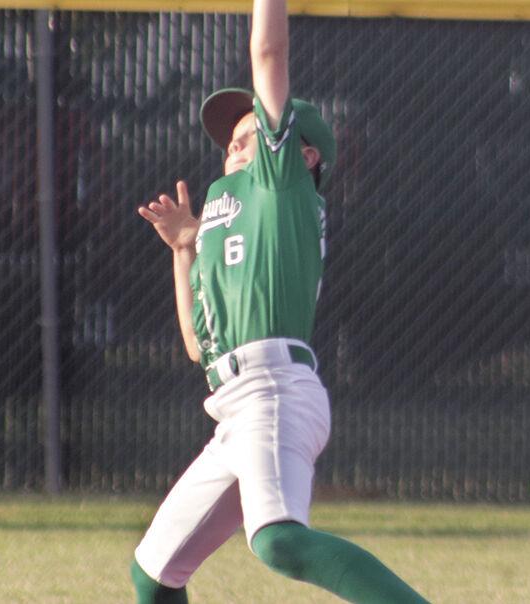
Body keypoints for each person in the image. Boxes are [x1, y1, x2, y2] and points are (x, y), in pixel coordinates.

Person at [131, 1, 429, 602]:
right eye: (231, 145)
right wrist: (183, 248)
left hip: (272, 390)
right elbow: (197, 349)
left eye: (248, 139)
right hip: (235, 405)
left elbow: (268, 53)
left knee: (279, 541)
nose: (235, 150)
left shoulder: (281, 180)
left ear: (303, 154)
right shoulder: (225, 225)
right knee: (154, 572)